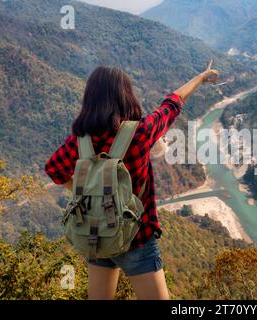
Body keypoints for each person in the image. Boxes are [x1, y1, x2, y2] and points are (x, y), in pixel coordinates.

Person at [45, 61, 219, 300]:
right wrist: (200, 77)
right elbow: (173, 103)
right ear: (125, 96)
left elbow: (54, 170)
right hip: (136, 238)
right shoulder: (140, 133)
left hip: (97, 235)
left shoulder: (80, 140)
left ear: (90, 98)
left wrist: (85, 190)